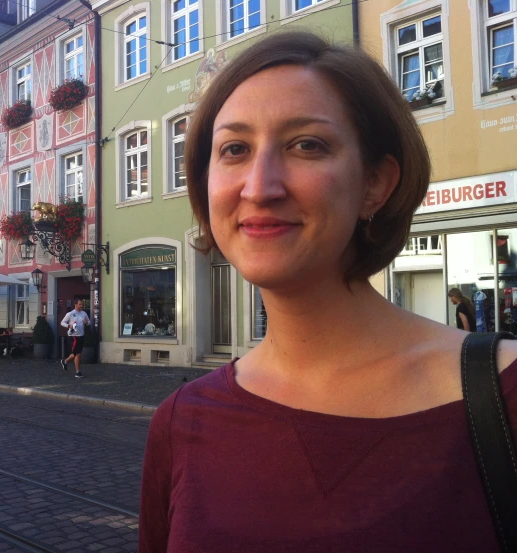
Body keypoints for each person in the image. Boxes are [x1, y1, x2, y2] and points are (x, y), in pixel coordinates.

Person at [138, 31, 517, 552]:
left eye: (306, 145)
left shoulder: (504, 396)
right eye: (234, 149)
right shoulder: (181, 422)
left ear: (375, 185)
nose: (259, 186)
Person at [60, 299, 90, 378]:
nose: (81, 306)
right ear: (75, 304)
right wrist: (69, 326)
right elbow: (62, 322)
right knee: (78, 354)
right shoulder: (70, 314)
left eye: (82, 304)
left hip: (81, 335)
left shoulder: (84, 313)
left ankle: (65, 361)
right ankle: (78, 372)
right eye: (80, 304)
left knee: (75, 353)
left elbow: (89, 322)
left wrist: (86, 322)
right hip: (73, 336)